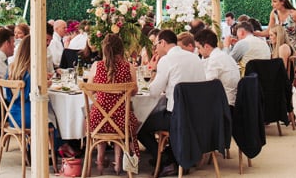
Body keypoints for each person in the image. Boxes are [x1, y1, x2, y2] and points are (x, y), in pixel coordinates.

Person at [136, 30, 207, 176]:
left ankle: (165, 161)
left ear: (162, 42)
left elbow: (154, 92)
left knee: (139, 125)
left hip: (176, 116)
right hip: (198, 115)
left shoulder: (167, 61)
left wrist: (154, 72)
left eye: (156, 44)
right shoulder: (195, 58)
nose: (155, 48)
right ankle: (175, 157)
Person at [87, 33, 140, 174]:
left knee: (102, 115)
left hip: (97, 121)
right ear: (121, 49)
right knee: (124, 118)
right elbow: (134, 91)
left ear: (104, 49)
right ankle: (118, 162)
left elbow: (89, 91)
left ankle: (99, 160)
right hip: (122, 122)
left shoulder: (96, 66)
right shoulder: (129, 67)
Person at [266, 0, 296, 125]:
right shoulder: (274, 14)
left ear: (282, 1)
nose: (272, 4)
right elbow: (269, 31)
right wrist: (253, 33)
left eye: (274, 1)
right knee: (286, 82)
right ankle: (290, 111)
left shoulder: (294, 14)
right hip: (282, 49)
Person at [195, 29, 239, 107]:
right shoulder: (223, 55)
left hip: (225, 106)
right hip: (231, 101)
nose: (198, 51)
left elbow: (205, 85)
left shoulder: (215, 60)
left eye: (198, 48)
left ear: (206, 46)